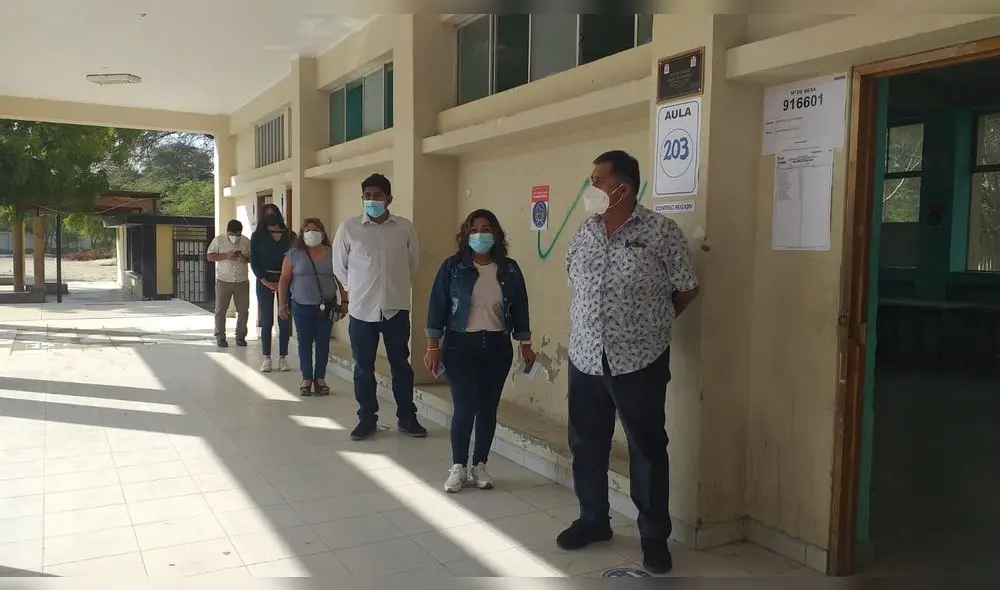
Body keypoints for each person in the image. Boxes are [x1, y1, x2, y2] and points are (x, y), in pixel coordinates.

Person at [559, 150, 700, 574]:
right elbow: (572, 276)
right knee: (586, 444)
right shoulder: (585, 230)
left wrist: (652, 324)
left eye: (598, 180)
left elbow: (687, 287)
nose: (591, 187)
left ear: (623, 187)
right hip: (586, 356)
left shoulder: (661, 232)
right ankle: (593, 520)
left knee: (647, 448)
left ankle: (654, 538)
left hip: (639, 360)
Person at [424, 209, 534, 493]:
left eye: (486, 229)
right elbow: (437, 305)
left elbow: (521, 307)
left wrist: (525, 343)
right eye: (474, 230)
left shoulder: (509, 269)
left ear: (496, 233)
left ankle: (480, 465)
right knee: (465, 406)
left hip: (497, 346)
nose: (480, 234)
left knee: (488, 408)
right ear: (466, 234)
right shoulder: (453, 267)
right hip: (460, 345)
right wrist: (433, 345)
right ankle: (458, 466)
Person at [332, 173, 426, 441]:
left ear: (389, 199)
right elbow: (339, 267)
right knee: (363, 367)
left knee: (401, 365)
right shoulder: (349, 228)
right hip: (362, 311)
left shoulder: (404, 228)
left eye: (377, 196)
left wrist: (395, 288)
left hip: (396, 309)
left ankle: (407, 417)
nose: (372, 200)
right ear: (362, 198)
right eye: (367, 195)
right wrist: (358, 290)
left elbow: (413, 265)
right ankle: (366, 418)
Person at [278, 218, 344, 396]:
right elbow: (284, 279)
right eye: (307, 230)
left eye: (315, 229)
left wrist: (345, 301)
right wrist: (282, 304)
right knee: (304, 342)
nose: (311, 233)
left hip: (327, 305)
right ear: (302, 233)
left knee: (323, 341)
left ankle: (320, 378)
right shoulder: (293, 254)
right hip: (301, 306)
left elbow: (340, 278)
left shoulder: (332, 253)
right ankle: (306, 378)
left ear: (322, 232)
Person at [250, 204, 294, 372]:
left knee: (284, 318)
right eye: (267, 214)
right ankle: (266, 357)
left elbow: (294, 258)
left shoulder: (290, 235)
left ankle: (283, 357)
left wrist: (284, 281)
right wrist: (264, 280)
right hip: (264, 280)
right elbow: (254, 260)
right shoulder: (258, 236)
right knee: (267, 320)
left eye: (273, 213)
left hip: (286, 279)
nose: (270, 216)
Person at [206, 219, 251, 348]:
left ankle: (240, 336)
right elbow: (209, 256)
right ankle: (220, 336)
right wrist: (225, 256)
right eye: (232, 234)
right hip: (223, 280)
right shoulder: (219, 240)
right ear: (227, 231)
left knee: (243, 310)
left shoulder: (246, 241)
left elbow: (252, 258)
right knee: (220, 310)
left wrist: (244, 258)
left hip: (241, 280)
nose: (235, 237)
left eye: (238, 234)